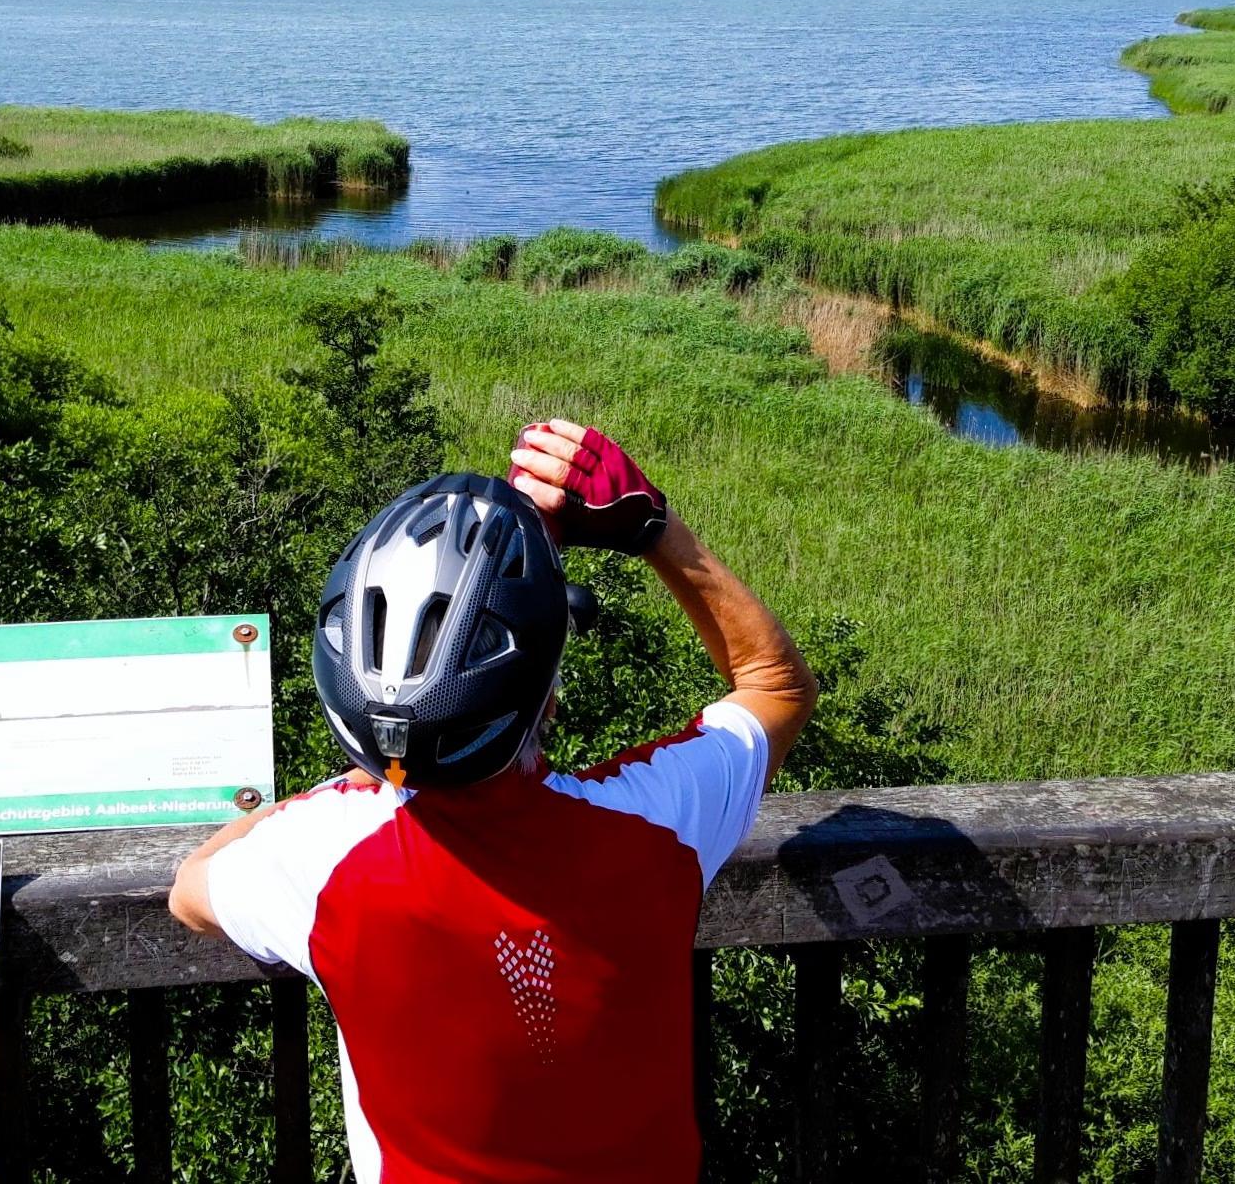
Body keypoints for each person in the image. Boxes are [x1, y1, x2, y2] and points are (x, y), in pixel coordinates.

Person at [169, 419, 817, 1184]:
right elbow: (777, 686)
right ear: (547, 700)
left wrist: (354, 783)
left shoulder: (317, 860)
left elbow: (190, 890)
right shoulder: (656, 827)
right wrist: (653, 530)